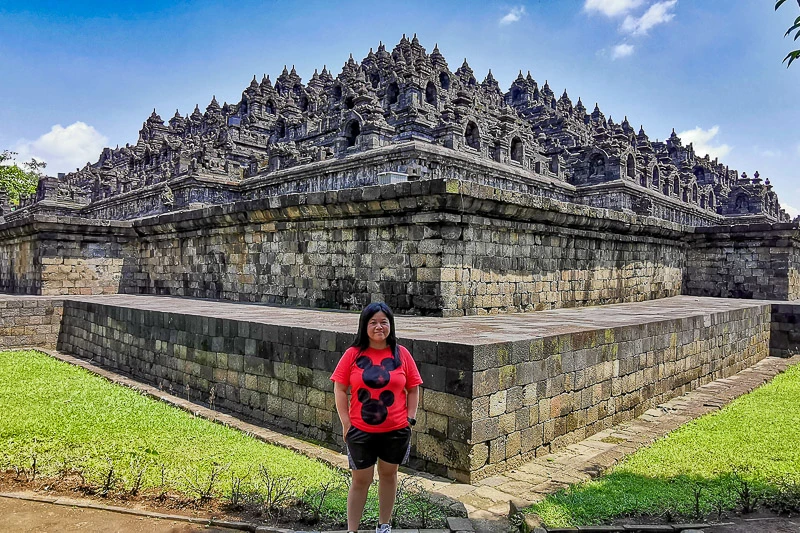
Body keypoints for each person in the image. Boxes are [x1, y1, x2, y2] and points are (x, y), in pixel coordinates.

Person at [331, 302, 422, 533]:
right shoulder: (353, 354)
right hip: (361, 432)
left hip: (396, 430)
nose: (379, 327)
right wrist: (346, 422)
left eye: (384, 322)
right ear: (364, 326)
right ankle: (353, 530)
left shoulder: (402, 354)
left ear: (391, 325)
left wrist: (410, 419)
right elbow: (340, 389)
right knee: (361, 481)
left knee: (389, 476)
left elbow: (413, 388)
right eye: (373, 322)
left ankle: (383, 526)